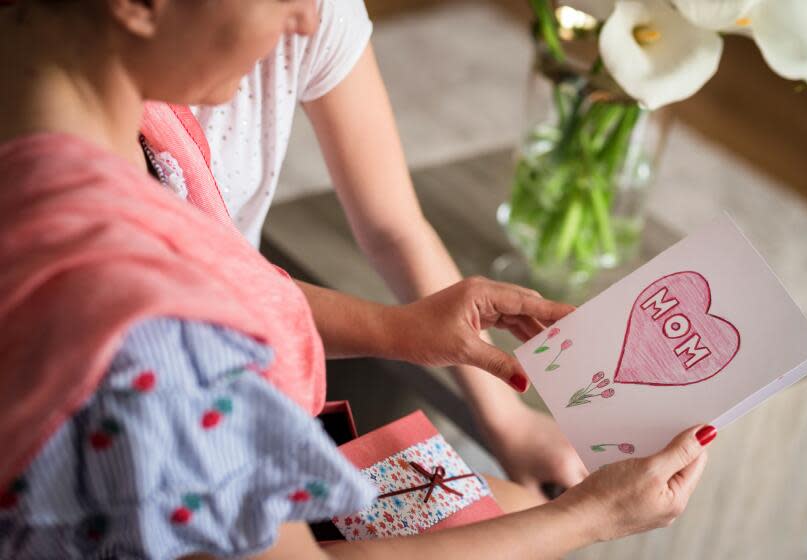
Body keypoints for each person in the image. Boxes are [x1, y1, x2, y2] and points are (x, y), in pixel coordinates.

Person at [0, 1, 713, 559]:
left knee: (509, 508)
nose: (310, 16)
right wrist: (593, 517)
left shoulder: (105, 125)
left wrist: (402, 329)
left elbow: (214, 276)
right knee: (529, 524)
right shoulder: (156, 337)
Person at [192, 0, 590, 493]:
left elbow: (395, 227)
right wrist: (397, 331)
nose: (312, 17)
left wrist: (509, 420)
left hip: (248, 351)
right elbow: (190, 293)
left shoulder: (314, 12)